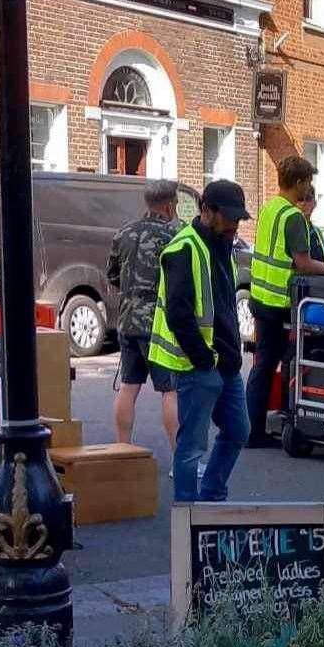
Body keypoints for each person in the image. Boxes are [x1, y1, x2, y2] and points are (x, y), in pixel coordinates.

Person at [149, 181, 250, 502]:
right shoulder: (184, 248)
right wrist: (204, 359)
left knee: (238, 431)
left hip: (225, 364)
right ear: (206, 211)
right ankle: (188, 517)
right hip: (198, 365)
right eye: (229, 217)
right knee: (191, 446)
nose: (235, 224)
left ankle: (211, 497)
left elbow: (223, 307)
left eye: (238, 218)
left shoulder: (223, 247)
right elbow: (179, 314)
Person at [247, 154, 324, 447]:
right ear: (299, 182)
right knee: (287, 363)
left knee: (262, 365)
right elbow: (304, 264)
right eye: (308, 182)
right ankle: (279, 425)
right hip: (280, 303)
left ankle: (255, 428)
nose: (309, 188)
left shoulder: (269, 209)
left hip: (259, 297)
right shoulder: (293, 218)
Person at [106, 179, 180, 449]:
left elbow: (112, 274)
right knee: (170, 391)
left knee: (129, 386)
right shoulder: (173, 237)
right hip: (157, 323)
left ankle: (122, 449)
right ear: (170, 205)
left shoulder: (124, 232)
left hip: (127, 319)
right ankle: (179, 459)